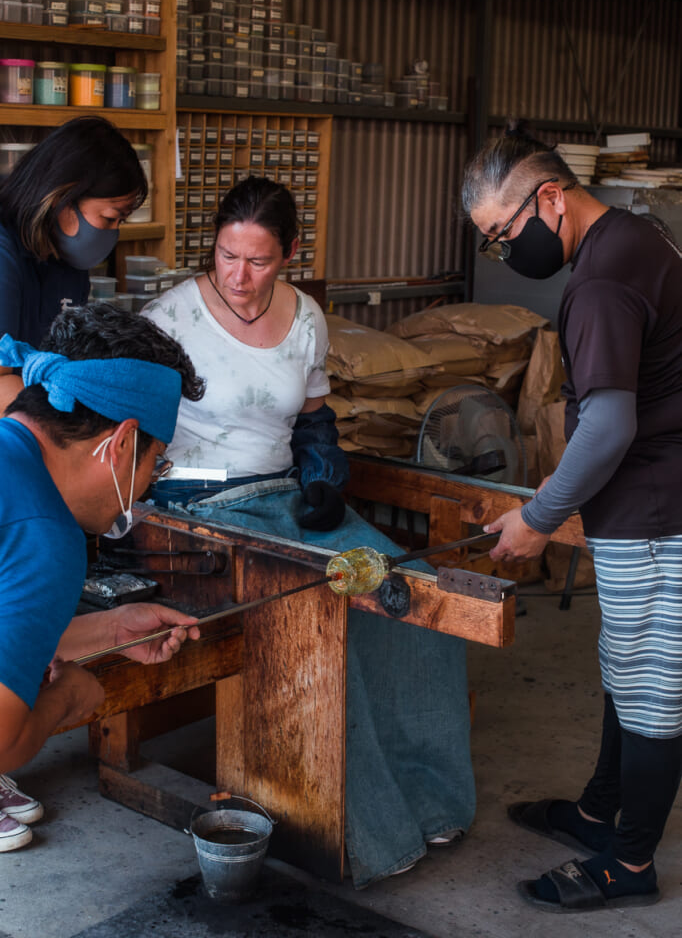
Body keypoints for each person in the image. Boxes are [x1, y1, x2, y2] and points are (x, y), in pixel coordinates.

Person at [143, 176, 476, 889]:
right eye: (227, 256)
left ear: (289, 253)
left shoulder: (306, 319)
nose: (238, 275)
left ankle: (431, 798)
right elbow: (132, 428)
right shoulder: (169, 317)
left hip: (283, 494)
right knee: (329, 612)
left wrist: (323, 475)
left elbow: (314, 419)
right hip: (198, 505)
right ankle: (368, 834)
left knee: (409, 592)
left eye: (258, 260)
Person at [461, 127, 682, 913]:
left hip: (660, 508)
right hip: (641, 496)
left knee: (653, 693)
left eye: (502, 234)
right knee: (626, 670)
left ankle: (627, 868)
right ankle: (598, 814)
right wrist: (574, 482)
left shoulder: (598, 284)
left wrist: (540, 516)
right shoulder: (631, 235)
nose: (504, 252)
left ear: (550, 198)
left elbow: (614, 425)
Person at [0, 302, 206, 852]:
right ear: (119, 444)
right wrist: (68, 699)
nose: (145, 486)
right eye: (153, 463)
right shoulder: (46, 537)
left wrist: (107, 631)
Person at [0, 114, 148, 413]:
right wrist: (66, 432)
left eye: (121, 221)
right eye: (108, 217)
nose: (113, 231)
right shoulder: (5, 253)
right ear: (62, 197)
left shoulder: (66, 261)